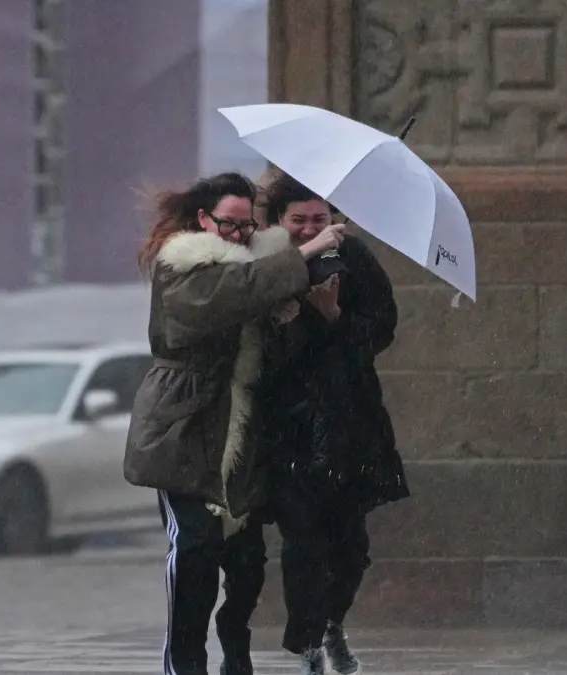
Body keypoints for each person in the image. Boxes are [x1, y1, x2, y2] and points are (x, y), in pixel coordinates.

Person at [123, 171, 344, 675]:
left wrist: (301, 316)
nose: (239, 235)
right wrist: (302, 256)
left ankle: (236, 657)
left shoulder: (259, 269)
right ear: (204, 219)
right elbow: (221, 298)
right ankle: (185, 663)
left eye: (247, 226)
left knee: (246, 564)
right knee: (195, 548)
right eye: (229, 224)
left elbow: (279, 350)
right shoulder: (183, 265)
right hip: (183, 430)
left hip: (241, 434)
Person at [253, 171, 409, 675]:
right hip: (289, 429)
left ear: (334, 218)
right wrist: (293, 318)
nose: (308, 228)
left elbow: (382, 327)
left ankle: (331, 625)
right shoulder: (265, 267)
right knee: (304, 544)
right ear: (279, 220)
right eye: (298, 219)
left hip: (349, 424)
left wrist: (336, 314)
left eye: (318, 219)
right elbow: (262, 352)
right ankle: (308, 648)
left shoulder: (354, 258)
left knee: (351, 547)